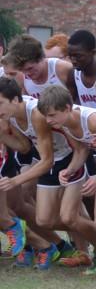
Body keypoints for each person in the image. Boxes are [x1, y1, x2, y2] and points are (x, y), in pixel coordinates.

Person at [33, 86, 96, 273]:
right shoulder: (64, 122)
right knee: (69, 218)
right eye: (46, 116)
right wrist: (69, 169)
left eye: (52, 115)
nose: (48, 121)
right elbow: (81, 149)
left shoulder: (95, 121)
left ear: (67, 108)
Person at [0, 80, 83, 269]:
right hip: (53, 159)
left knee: (74, 214)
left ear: (14, 99)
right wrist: (2, 135)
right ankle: (57, 247)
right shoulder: (12, 115)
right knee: (23, 204)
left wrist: (15, 181)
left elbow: (47, 161)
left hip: (72, 157)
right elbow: (24, 147)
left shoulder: (36, 114)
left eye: (0, 103)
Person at [7, 34, 73, 98]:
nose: (27, 74)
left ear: (41, 58)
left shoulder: (61, 68)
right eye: (22, 69)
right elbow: (25, 105)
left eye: (30, 68)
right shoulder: (20, 76)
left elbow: (78, 102)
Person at [66, 30, 96, 108]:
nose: (73, 60)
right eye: (70, 56)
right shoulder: (73, 74)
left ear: (93, 53)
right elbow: (74, 105)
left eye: (78, 56)